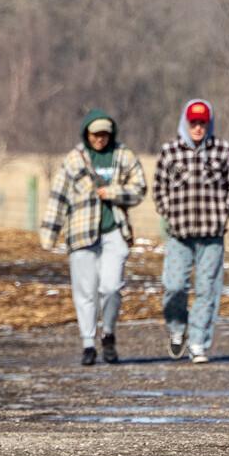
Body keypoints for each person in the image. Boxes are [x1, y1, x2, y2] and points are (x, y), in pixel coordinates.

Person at [40, 108, 147, 365]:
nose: (100, 138)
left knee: (111, 287)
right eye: (95, 134)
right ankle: (88, 343)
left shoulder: (123, 156)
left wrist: (114, 192)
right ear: (87, 133)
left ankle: (108, 333)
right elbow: (59, 197)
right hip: (81, 233)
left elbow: (139, 188)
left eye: (104, 134)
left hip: (114, 232)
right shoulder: (74, 160)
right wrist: (49, 232)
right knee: (85, 291)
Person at [152, 98, 229, 364]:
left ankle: (198, 343)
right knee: (174, 286)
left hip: (212, 235)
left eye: (203, 122)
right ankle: (177, 331)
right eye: (194, 122)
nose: (198, 127)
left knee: (207, 290)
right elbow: (159, 188)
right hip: (180, 235)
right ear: (185, 123)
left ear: (209, 123)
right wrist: (169, 211)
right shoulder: (170, 151)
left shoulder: (223, 151)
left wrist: (224, 211)